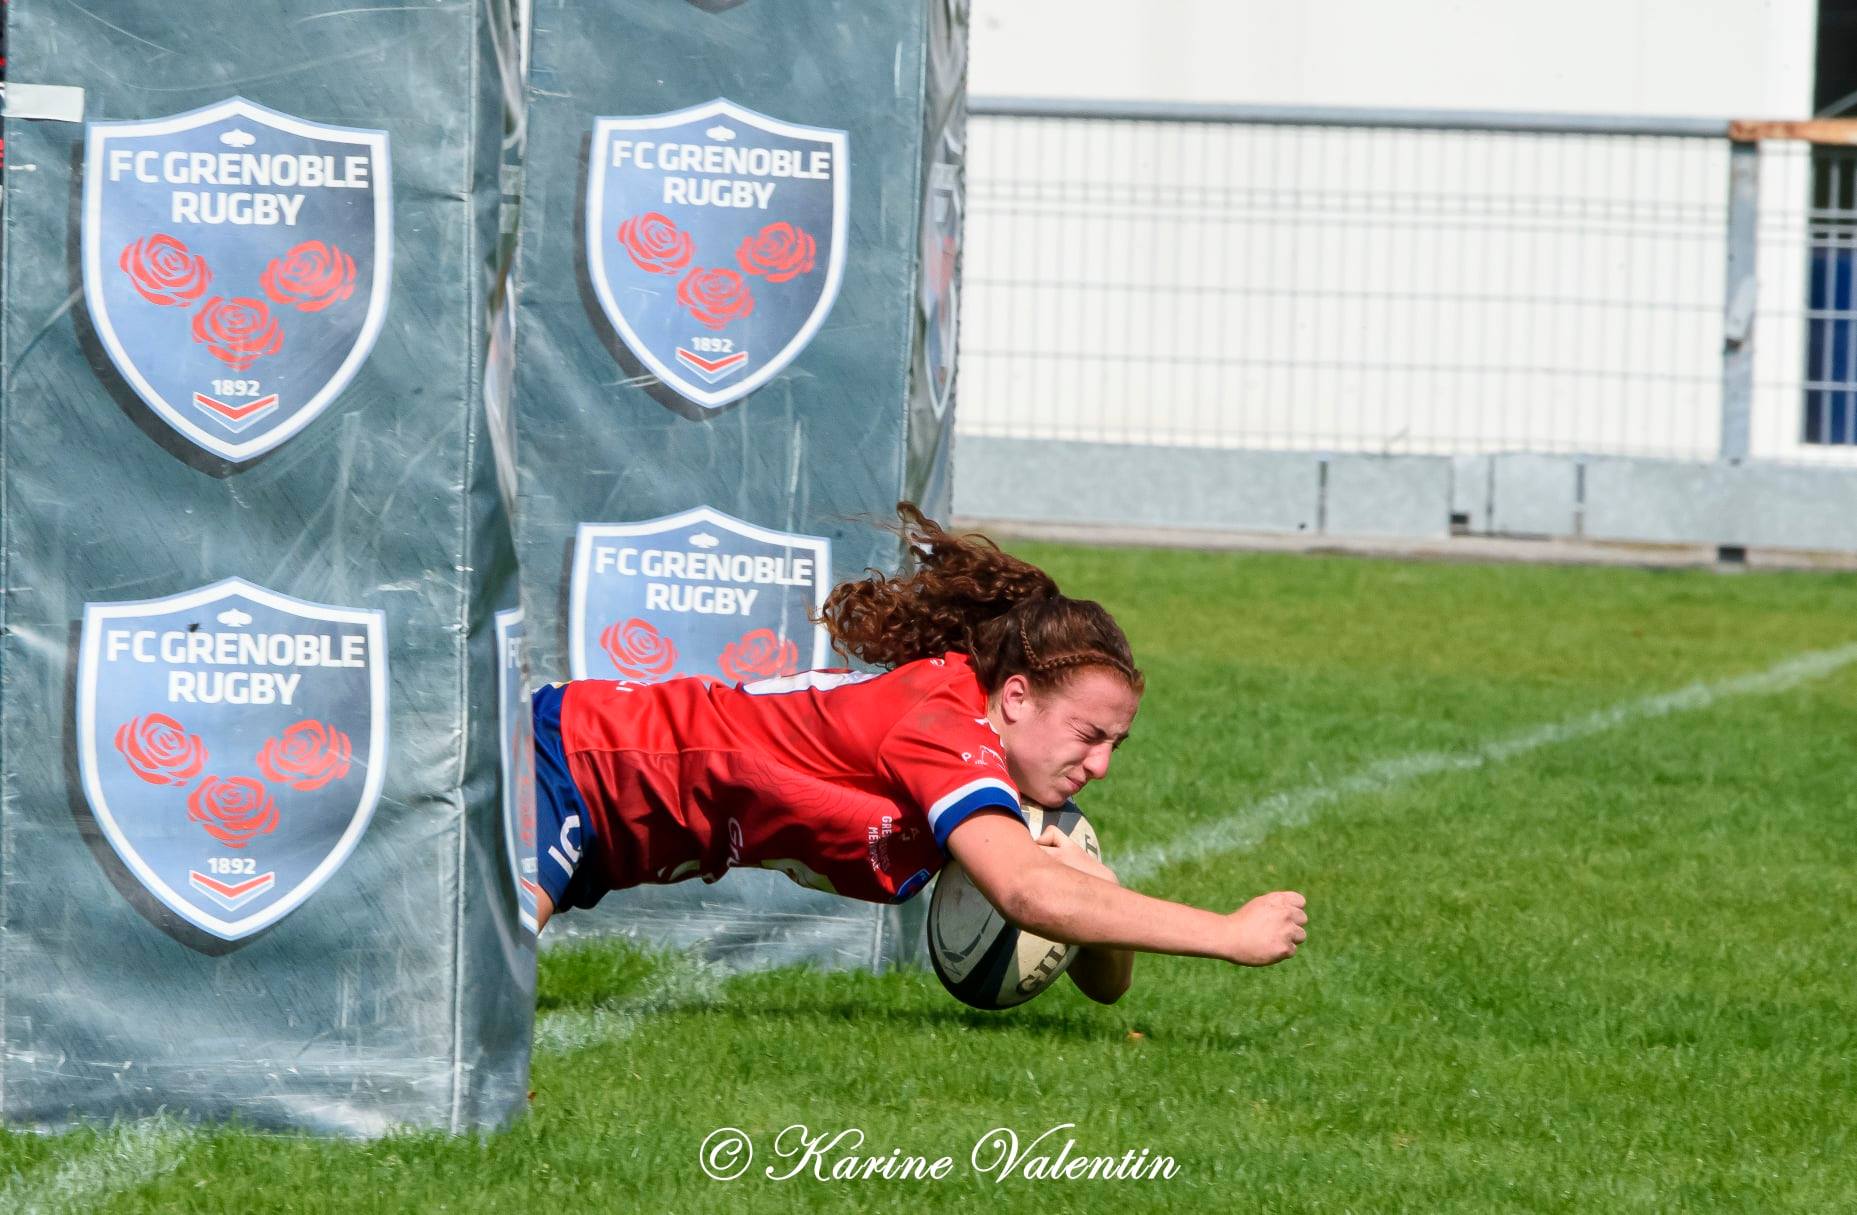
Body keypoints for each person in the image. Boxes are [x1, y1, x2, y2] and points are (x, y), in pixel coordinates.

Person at [530, 503, 1308, 1002]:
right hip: (574, 762)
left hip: (611, 836)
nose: (1100, 765)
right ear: (1013, 698)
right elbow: (1030, 899)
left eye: (1115, 743)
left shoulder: (996, 775)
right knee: (458, 1005)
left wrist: (1090, 879)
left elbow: (1102, 985)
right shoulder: (943, 727)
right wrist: (1225, 933)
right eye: (1088, 735)